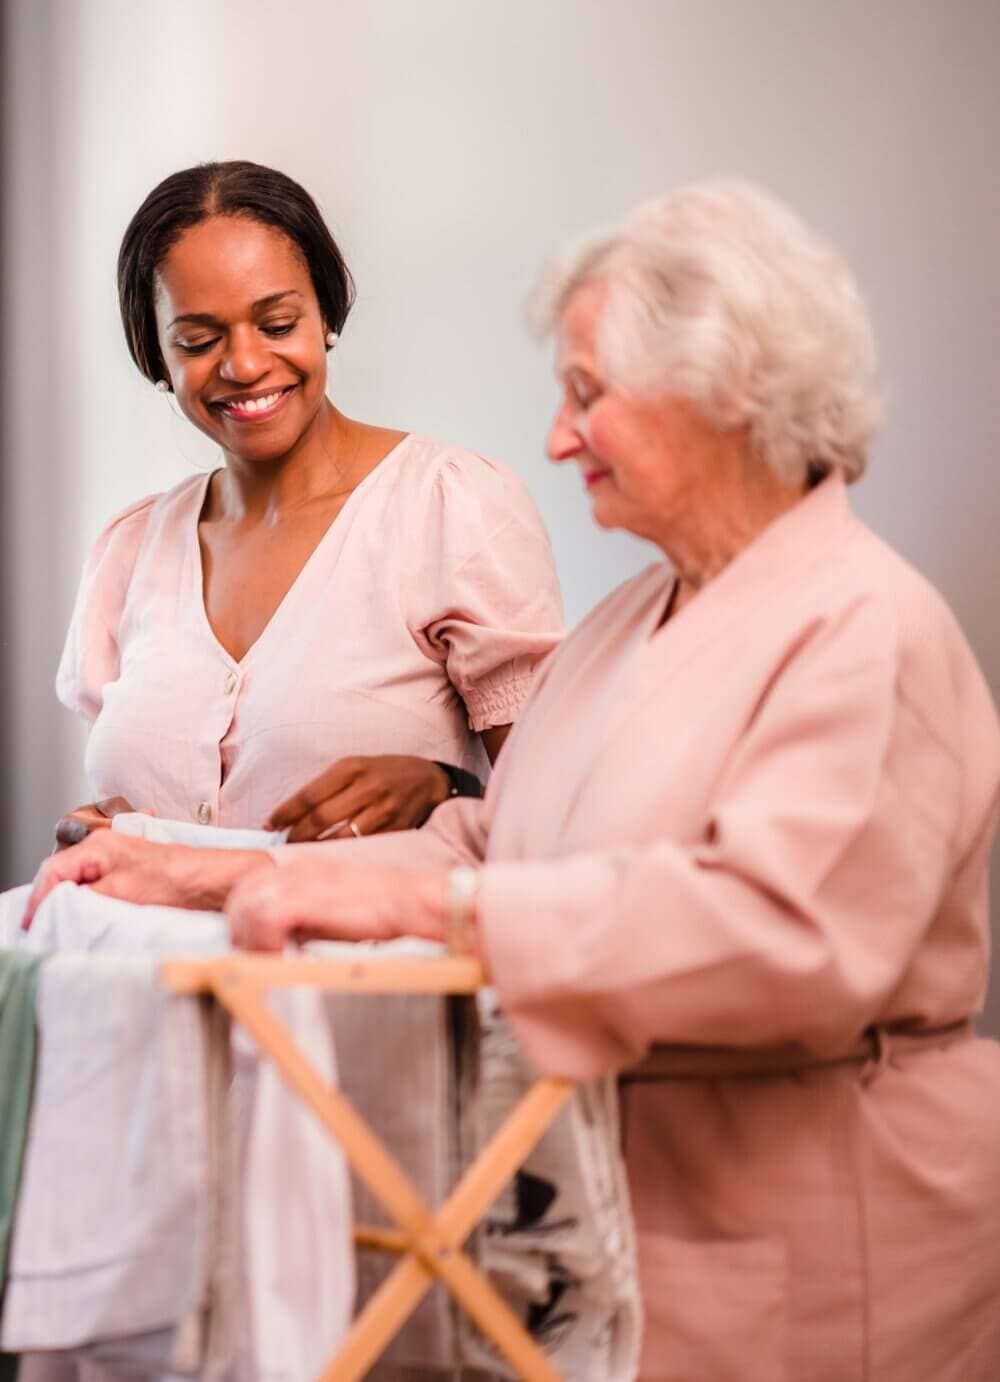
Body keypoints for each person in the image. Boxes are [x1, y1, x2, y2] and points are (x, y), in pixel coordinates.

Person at [30, 181, 1000, 1380]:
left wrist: (429, 909)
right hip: (609, 1230)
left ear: (728, 399)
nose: (556, 435)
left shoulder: (867, 628)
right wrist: (186, 870)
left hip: (813, 1245)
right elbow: (496, 842)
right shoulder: (635, 618)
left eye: (587, 395)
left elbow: (779, 937)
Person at [51, 160, 562, 851]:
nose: (244, 364)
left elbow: (558, 811)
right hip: (148, 957)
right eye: (198, 341)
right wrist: (101, 835)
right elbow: (136, 810)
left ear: (325, 315)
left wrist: (447, 787)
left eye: (277, 323)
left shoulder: (449, 506)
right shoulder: (130, 550)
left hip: (368, 958)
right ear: (157, 357)